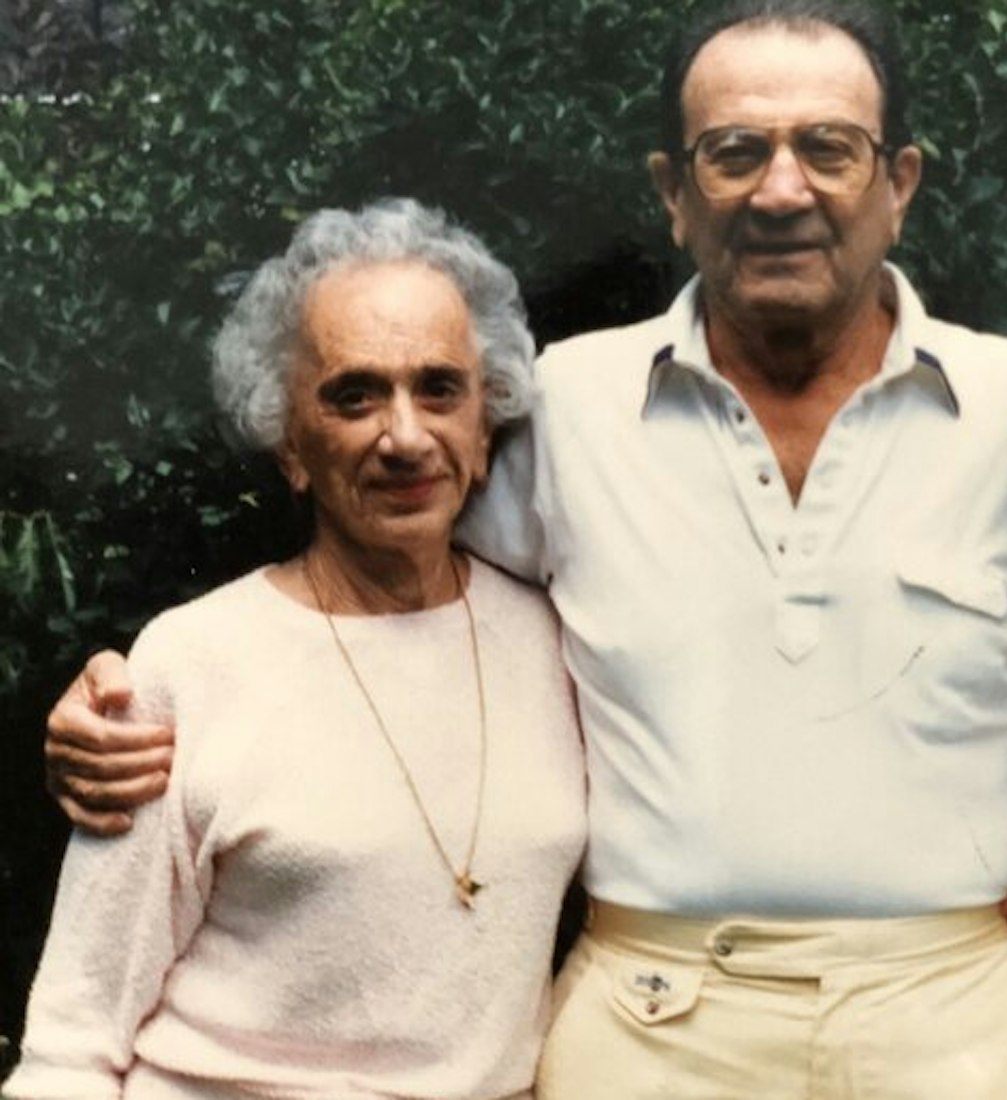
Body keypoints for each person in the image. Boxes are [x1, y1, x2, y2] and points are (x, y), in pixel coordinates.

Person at [38, 4, 1007, 1098]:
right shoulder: (547, 414)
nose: (781, 187)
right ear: (672, 191)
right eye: (733, 152)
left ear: (898, 182)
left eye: (828, 148)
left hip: (962, 1024)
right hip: (649, 1024)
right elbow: (378, 582)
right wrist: (137, 702)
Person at [6, 200, 586, 1098]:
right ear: (290, 446)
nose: (403, 436)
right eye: (353, 395)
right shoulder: (190, 662)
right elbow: (73, 1034)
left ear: (487, 422)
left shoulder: (557, 641)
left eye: (439, 388)